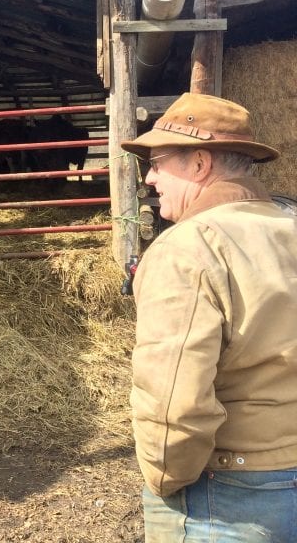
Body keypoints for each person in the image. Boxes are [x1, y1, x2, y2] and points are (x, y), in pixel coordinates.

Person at [121, 92, 297, 542]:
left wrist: (165, 478)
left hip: (230, 495)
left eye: (158, 162)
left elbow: (174, 399)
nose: (151, 177)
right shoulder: (289, 225)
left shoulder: (188, 248)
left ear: (199, 164)